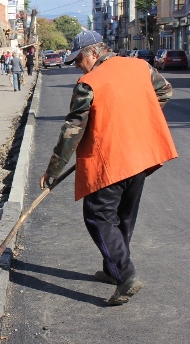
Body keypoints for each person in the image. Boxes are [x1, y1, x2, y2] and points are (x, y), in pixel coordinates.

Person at [39, 31, 177, 306]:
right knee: (123, 217)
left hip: (110, 160)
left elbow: (73, 129)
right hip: (141, 154)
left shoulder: (88, 83)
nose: (77, 65)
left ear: (92, 53)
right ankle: (111, 269)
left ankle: (125, 275)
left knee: (99, 217)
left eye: (78, 59)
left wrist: (53, 169)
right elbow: (164, 91)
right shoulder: (140, 67)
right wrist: (135, 113)